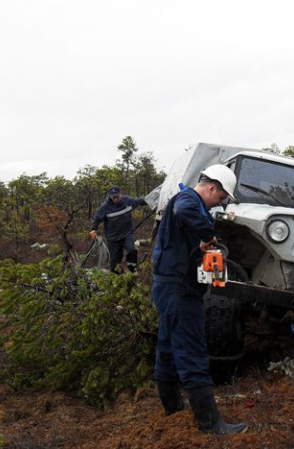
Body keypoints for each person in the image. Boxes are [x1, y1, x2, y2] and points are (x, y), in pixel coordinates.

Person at [151, 164, 246, 434]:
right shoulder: (188, 200)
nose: (221, 202)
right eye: (221, 197)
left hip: (169, 287)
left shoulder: (187, 202)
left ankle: (173, 411)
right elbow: (185, 211)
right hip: (179, 290)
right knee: (192, 351)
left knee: (168, 349)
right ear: (212, 187)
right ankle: (210, 424)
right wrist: (208, 235)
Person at [89, 185, 147, 273]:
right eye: (113, 197)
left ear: (120, 194)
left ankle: (131, 271)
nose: (115, 199)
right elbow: (97, 218)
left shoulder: (127, 200)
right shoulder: (105, 207)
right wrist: (93, 229)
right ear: (110, 197)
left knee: (132, 250)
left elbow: (140, 201)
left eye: (117, 196)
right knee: (115, 262)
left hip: (127, 233)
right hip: (113, 238)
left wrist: (154, 199)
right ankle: (116, 277)